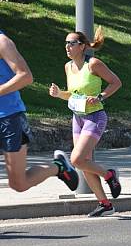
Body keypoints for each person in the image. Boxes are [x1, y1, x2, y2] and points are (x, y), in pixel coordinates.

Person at [49, 27, 122, 217]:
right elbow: (72, 95)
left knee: (76, 159)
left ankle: (109, 175)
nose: (67, 46)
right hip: (77, 118)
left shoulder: (94, 64)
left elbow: (116, 82)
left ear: (82, 47)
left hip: (95, 117)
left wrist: (100, 97)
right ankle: (105, 204)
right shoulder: (68, 67)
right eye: (66, 43)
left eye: (72, 43)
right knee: (83, 162)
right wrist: (59, 94)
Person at [0, 30, 79, 194]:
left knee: (19, 184)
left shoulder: (2, 42)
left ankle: (59, 167)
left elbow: (25, 76)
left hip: (8, 118)